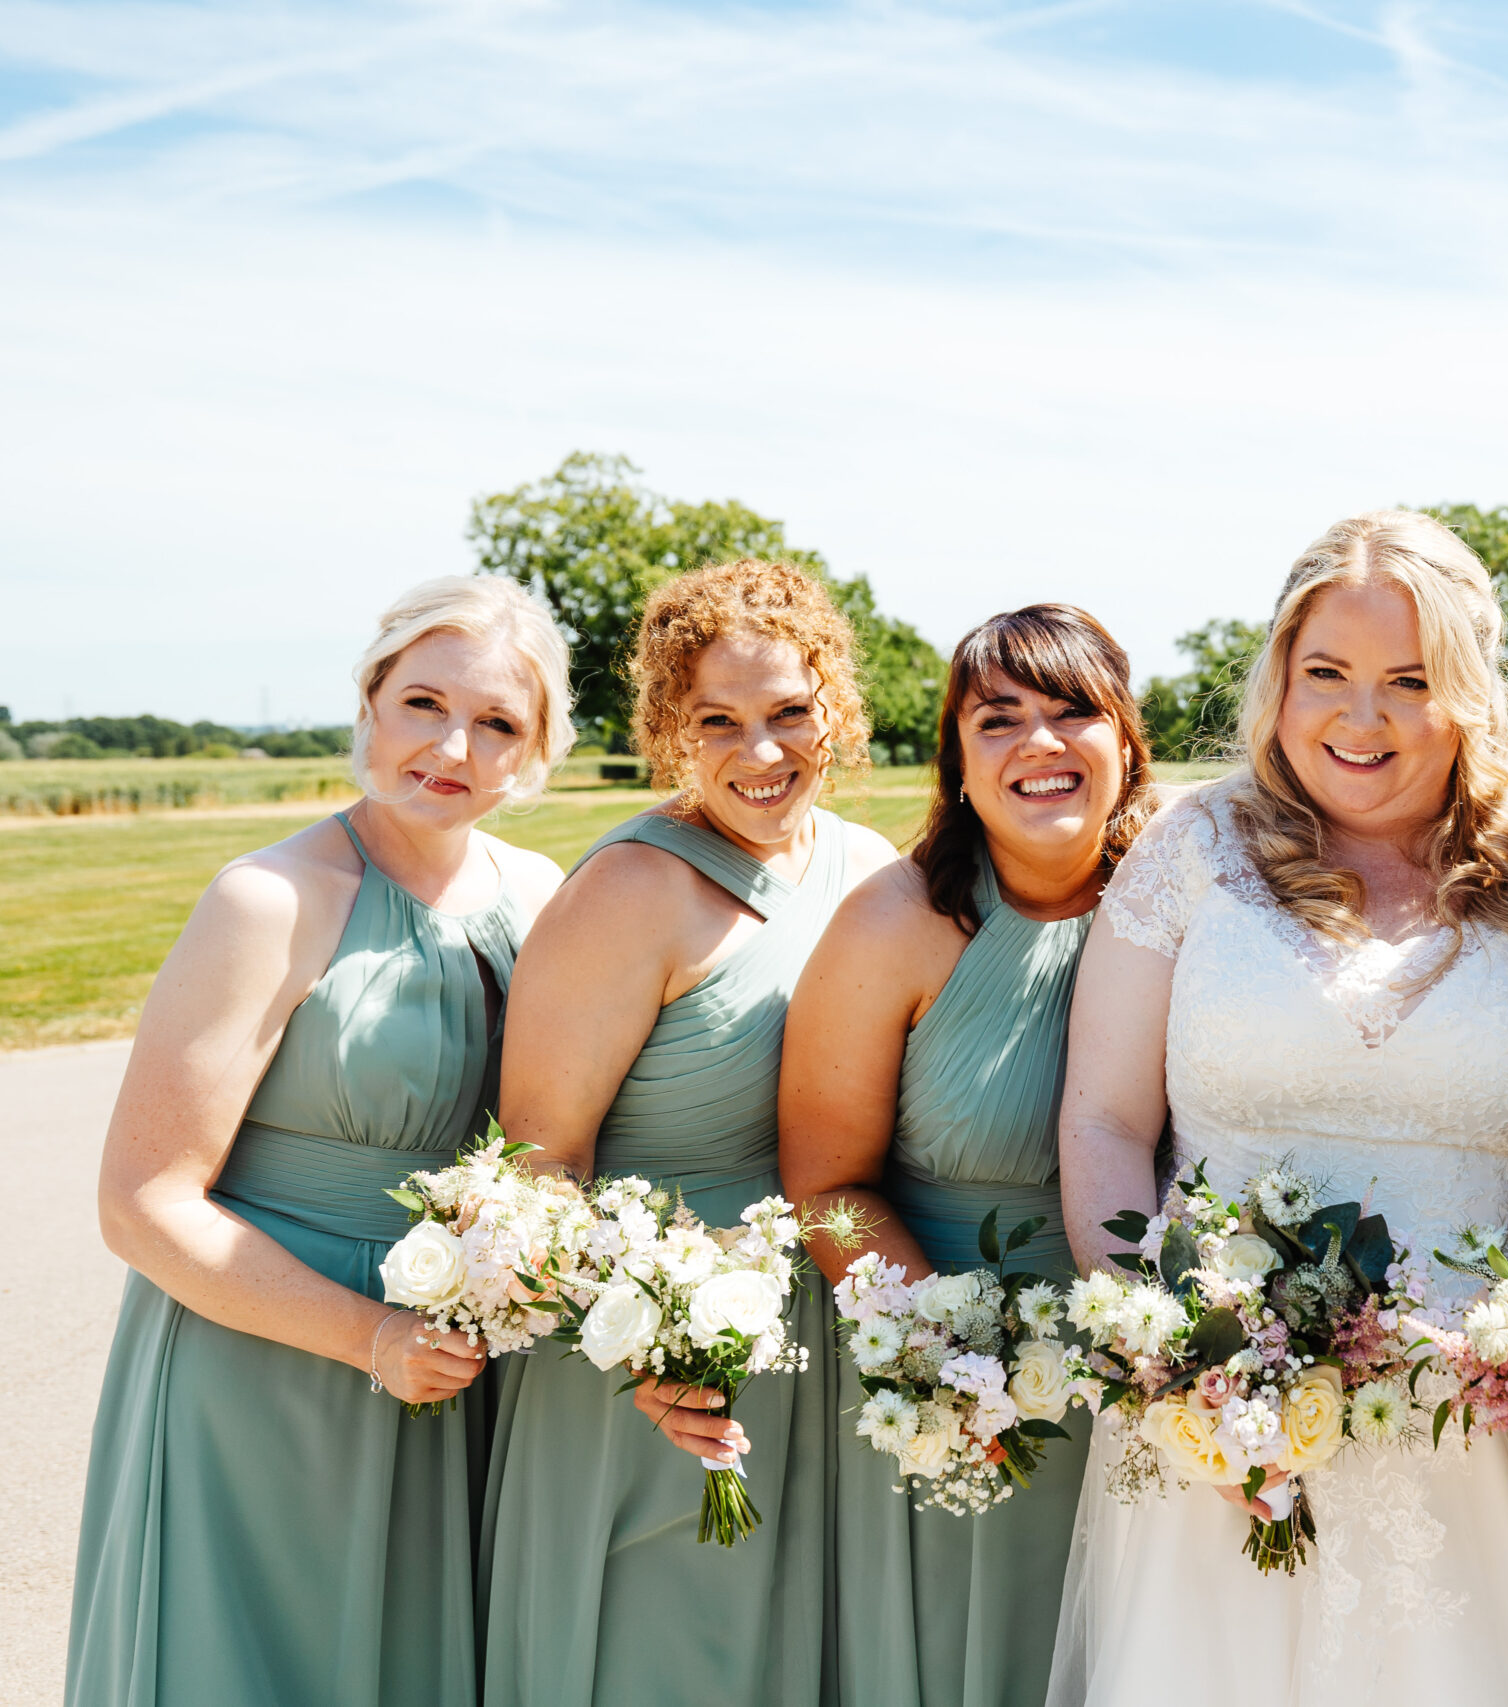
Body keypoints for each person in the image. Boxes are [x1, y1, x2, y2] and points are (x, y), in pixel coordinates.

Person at [1048, 510, 1508, 1706]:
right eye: (1326, 675)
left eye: (1410, 681)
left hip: (1477, 1441)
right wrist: (1167, 1353)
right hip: (1221, 1433)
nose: (1362, 717)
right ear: (1277, 682)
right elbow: (1101, 1123)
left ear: (1467, 694)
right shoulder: (1196, 848)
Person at [67, 577, 573, 1706]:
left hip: (461, 1371)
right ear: (369, 704)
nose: (452, 746)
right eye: (422, 704)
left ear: (535, 755)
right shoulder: (270, 901)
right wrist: (372, 1340)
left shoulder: (540, 897)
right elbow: (142, 1201)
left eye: (497, 724)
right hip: (268, 1368)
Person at [478, 558, 898, 1707]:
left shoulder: (871, 869)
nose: (761, 753)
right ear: (671, 727)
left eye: (790, 715)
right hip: (651, 1370)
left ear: (835, 710)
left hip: (821, 1349)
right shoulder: (627, 893)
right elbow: (537, 1166)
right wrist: (650, 1345)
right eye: (719, 721)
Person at [782, 603, 1159, 1707]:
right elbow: (825, 1190)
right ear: (957, 758)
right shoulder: (892, 924)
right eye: (999, 720)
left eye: (1072, 712)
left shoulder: (1186, 903)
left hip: (1161, 1374)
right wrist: (952, 1363)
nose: (1040, 744)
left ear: (1125, 740)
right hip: (961, 1387)